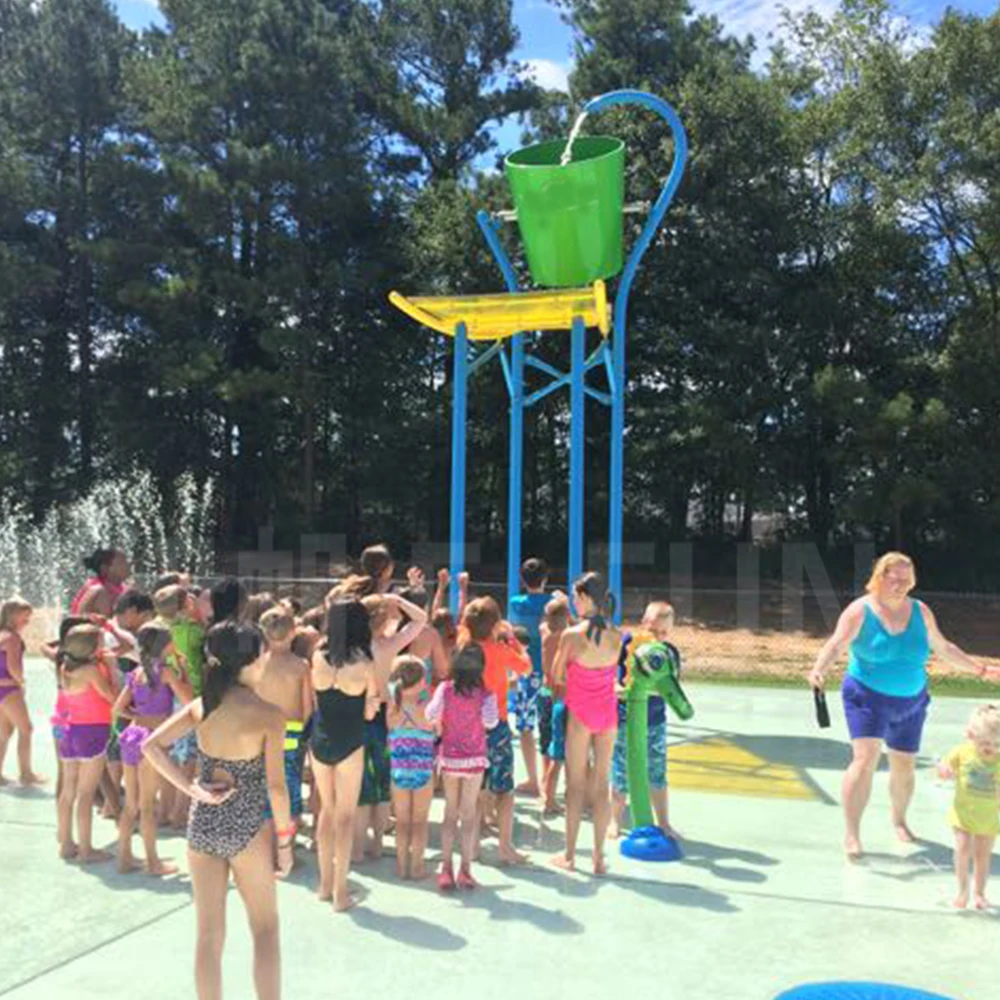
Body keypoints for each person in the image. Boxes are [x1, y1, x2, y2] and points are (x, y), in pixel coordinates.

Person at [808, 552, 995, 859]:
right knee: (865, 759)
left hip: (912, 700)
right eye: (894, 579)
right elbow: (837, 644)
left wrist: (979, 669)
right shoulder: (860, 611)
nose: (901, 585)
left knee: (904, 766)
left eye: (906, 580)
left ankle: (899, 821)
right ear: (880, 577)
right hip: (866, 697)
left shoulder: (921, 611)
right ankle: (852, 834)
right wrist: (819, 669)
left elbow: (944, 647)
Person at [143, 622, 293, 1000]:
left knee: (209, 936)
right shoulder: (269, 715)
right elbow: (276, 787)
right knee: (265, 930)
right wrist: (286, 843)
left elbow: (151, 746)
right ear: (251, 659)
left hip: (204, 824)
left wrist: (189, 787)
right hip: (248, 829)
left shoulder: (203, 704)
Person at [551, 572, 622, 875]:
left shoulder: (572, 635)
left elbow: (556, 675)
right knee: (602, 785)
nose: (574, 603)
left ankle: (569, 854)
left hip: (580, 713)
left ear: (586, 598)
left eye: (576, 597)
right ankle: (598, 858)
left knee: (576, 786)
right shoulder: (617, 635)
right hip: (607, 713)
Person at [310, 600, 379, 912]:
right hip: (350, 739)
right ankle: (340, 891)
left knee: (326, 810)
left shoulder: (317, 656)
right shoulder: (365, 663)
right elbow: (370, 708)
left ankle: (324, 885)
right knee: (346, 817)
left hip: (320, 739)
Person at [113, 622, 192, 874]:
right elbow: (189, 701)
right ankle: (153, 863)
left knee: (131, 804)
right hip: (152, 741)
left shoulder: (136, 673)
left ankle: (124, 858)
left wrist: (135, 712)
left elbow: (117, 708)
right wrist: (185, 673)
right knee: (148, 805)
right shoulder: (166, 672)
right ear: (164, 646)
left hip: (132, 735)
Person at [354, 592, 427, 861]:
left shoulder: (355, 648)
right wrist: (399, 599)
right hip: (385, 716)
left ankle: (358, 847)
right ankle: (377, 845)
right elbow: (421, 619)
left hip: (359, 715)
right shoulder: (388, 647)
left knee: (362, 785)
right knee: (383, 783)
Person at [460, 597, 531, 865]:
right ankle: (505, 847)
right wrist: (511, 639)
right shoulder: (500, 650)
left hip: (469, 728)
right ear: (495, 625)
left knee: (475, 787)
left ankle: (474, 845)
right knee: (504, 789)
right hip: (496, 727)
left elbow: (464, 625)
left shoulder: (463, 647)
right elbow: (526, 667)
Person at [425, 643, 499, 890]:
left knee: (449, 813)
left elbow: (430, 713)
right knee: (469, 815)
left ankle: (445, 868)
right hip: (475, 758)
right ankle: (465, 869)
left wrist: (441, 721)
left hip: (449, 757)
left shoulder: (445, 690)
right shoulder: (487, 695)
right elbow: (491, 722)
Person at [610, 601, 679, 838]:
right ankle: (615, 822)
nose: (657, 637)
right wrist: (616, 688)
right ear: (643, 624)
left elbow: (671, 688)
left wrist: (644, 690)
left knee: (657, 771)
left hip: (655, 721)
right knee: (620, 771)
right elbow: (611, 674)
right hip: (624, 720)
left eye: (664, 633)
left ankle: (664, 823)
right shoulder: (628, 644)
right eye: (653, 630)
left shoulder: (668, 653)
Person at [53, 624, 119, 862]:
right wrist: (111, 668)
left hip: (71, 731)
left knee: (68, 791)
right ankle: (87, 850)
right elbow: (110, 696)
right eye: (101, 641)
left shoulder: (66, 666)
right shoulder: (91, 670)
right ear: (92, 647)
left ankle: (67, 843)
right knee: (86, 794)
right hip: (92, 731)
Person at [249, 606, 314, 845]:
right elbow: (308, 707)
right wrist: (302, 729)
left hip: (262, 733)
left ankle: (265, 846)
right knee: (290, 787)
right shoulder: (301, 666)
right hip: (292, 731)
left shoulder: (257, 664)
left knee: (264, 787)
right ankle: (288, 846)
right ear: (293, 633)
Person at [938, 704, 1000, 910]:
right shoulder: (962, 753)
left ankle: (980, 893)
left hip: (989, 817)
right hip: (963, 815)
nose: (989, 748)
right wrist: (945, 770)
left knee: (983, 856)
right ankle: (962, 890)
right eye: (984, 742)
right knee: (962, 851)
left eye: (995, 743)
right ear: (971, 735)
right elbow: (944, 766)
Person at [387, 655, 436, 879]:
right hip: (423, 768)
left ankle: (400, 865)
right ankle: (417, 866)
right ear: (421, 681)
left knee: (402, 821)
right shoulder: (426, 705)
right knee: (420, 820)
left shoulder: (393, 705)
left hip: (398, 768)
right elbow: (438, 730)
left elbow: (393, 686)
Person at [508, 557, 552, 798]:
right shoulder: (553, 603)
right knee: (551, 725)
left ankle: (534, 780)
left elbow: (516, 632)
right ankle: (550, 779)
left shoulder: (516, 603)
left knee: (526, 727)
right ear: (545, 579)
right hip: (550, 671)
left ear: (522, 580)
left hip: (525, 669)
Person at [0, 597, 46, 786]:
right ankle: (26, 774)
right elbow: (14, 667)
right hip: (9, 689)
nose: (28, 620)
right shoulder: (12, 638)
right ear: (13, 615)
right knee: (26, 729)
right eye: (25, 616)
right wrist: (21, 682)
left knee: (4, 733)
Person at [539, 596, 571, 815]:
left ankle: (546, 791)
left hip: (544, 692)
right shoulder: (566, 637)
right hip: (562, 696)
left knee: (549, 745)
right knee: (560, 752)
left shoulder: (544, 631)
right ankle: (551, 798)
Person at [70, 547, 130, 617]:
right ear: (106, 568)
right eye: (122, 562)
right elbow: (112, 622)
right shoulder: (99, 590)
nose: (128, 565)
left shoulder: (121, 587)